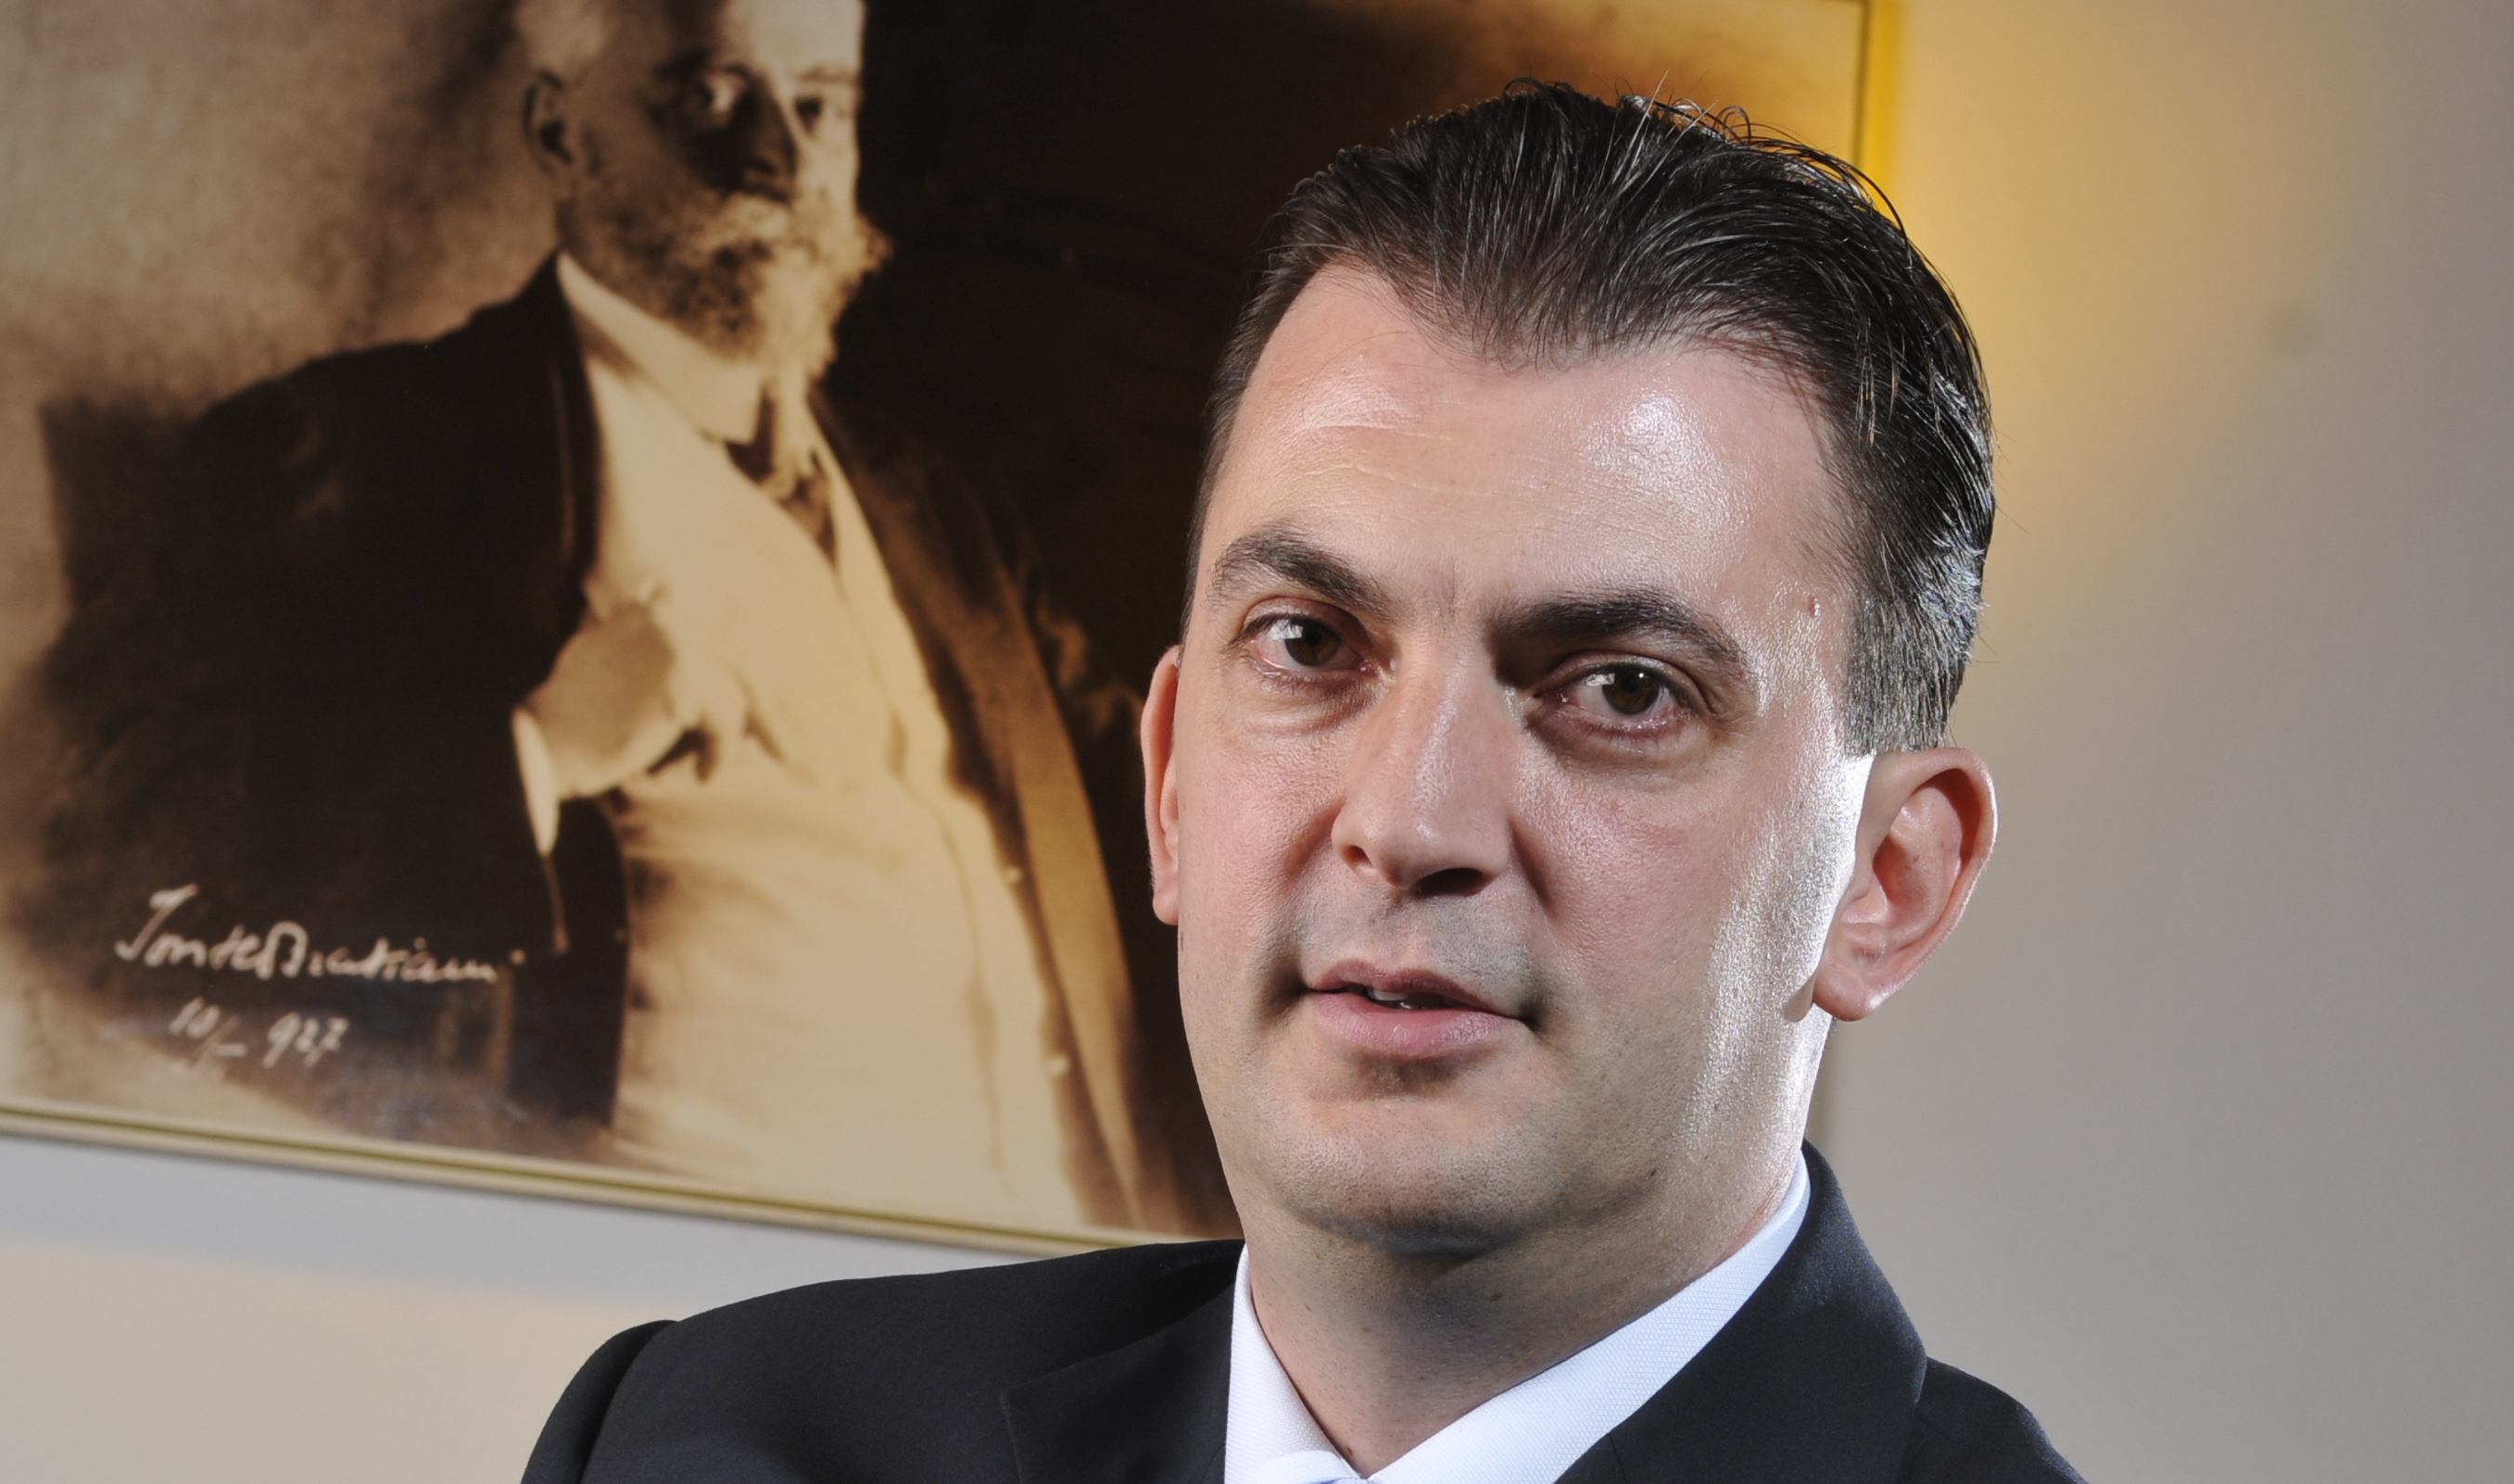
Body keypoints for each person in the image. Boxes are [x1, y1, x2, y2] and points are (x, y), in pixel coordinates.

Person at [521, 82, 2085, 1482]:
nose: (1405, 823)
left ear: (1887, 882)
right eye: (1311, 643)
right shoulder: (701, 1442)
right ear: (1169, 784)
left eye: (1622, 689)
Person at [11, 0, 1203, 1233]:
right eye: (710, 98)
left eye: (821, 106)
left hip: (1074, 1247)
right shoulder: (353, 453)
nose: (782, 161)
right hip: (695, 1267)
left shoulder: (945, 509)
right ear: (559, 132)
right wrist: (532, 753)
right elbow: (109, 838)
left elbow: (1168, 799)